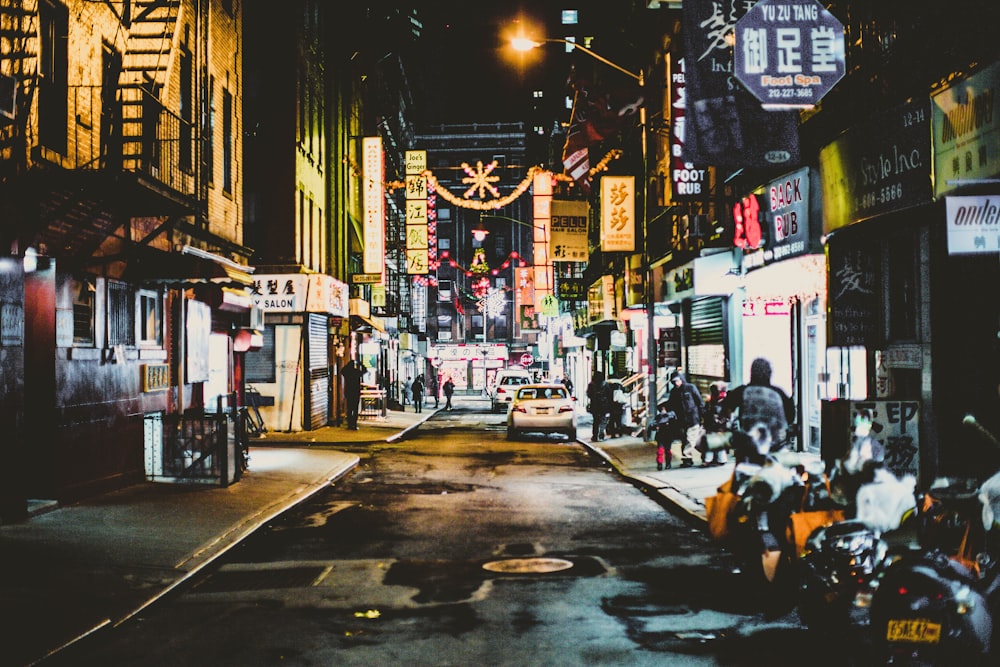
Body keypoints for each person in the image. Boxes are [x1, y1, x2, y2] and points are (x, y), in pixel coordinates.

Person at [722, 357, 795, 465]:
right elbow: (790, 416)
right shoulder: (779, 393)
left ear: (751, 373)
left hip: (748, 446)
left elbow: (726, 408)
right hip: (774, 446)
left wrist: (728, 425)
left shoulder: (742, 391)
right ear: (769, 373)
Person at [666, 370, 705, 467]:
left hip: (692, 418)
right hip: (682, 420)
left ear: (681, 379)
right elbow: (671, 405)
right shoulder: (674, 392)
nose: (676, 383)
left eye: (677, 381)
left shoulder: (690, 388)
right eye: (674, 382)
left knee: (690, 439)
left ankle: (687, 458)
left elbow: (699, 402)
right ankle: (703, 455)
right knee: (688, 440)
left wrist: (703, 415)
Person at [697, 382, 732, 466]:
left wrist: (720, 422)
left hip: (717, 425)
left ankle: (712, 460)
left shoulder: (721, 400)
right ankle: (719, 459)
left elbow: (727, 415)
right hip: (715, 425)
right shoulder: (714, 401)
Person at [586, 371, 612, 441]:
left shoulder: (591, 384)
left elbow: (588, 394)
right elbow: (609, 394)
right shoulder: (605, 384)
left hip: (595, 405)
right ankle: (601, 435)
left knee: (596, 421)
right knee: (603, 421)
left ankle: (594, 436)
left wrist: (594, 397)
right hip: (604, 405)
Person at [653, 403, 679, 470]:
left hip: (667, 434)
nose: (663, 410)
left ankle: (667, 463)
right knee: (660, 450)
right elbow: (653, 425)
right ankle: (660, 463)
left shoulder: (671, 416)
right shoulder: (659, 417)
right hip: (662, 435)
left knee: (667, 450)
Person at [342, 360, 364, 430]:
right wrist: (361, 364)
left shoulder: (347, 373)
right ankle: (354, 424)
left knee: (349, 409)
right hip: (356, 393)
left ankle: (349, 425)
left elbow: (342, 370)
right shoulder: (356, 372)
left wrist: (347, 365)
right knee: (355, 409)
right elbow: (365, 371)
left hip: (349, 393)